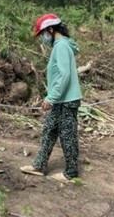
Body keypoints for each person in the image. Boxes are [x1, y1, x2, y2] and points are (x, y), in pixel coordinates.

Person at [21, 13, 83, 182]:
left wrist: (51, 97)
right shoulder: (61, 45)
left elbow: (64, 75)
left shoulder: (61, 46)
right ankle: (39, 166)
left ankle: (71, 172)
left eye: (43, 35)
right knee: (49, 130)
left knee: (67, 136)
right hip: (61, 99)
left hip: (66, 100)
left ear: (50, 29)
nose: (43, 39)